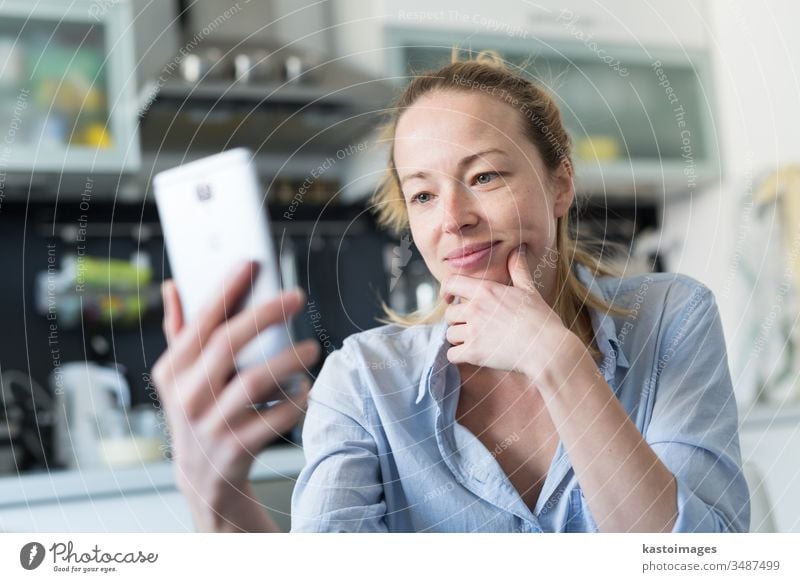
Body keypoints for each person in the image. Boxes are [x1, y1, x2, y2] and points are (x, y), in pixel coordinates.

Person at [152, 52, 750, 533]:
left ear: (559, 183)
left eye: (484, 176)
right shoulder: (363, 382)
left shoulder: (671, 317)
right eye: (423, 194)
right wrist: (218, 502)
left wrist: (558, 361)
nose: (453, 219)